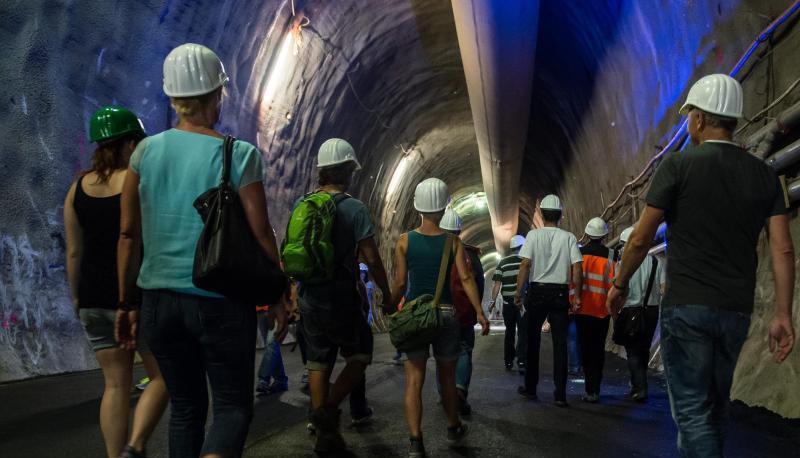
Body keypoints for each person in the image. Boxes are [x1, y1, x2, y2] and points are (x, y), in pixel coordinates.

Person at [608, 74, 795, 458]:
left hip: (687, 308)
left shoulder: (677, 166)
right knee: (715, 406)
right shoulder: (764, 174)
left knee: (693, 411)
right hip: (735, 310)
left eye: (689, 114)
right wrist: (781, 313)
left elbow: (640, 239)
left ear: (698, 118)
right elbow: (783, 249)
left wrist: (620, 284)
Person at [115, 43, 287, 458]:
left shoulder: (144, 152)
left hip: (158, 302)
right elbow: (261, 233)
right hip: (220, 299)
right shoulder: (239, 154)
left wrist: (126, 303)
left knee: (186, 409)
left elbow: (128, 234)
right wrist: (279, 291)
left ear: (172, 97)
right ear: (217, 93)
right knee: (231, 408)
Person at [64, 106, 168, 458]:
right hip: (135, 298)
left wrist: (77, 297)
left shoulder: (76, 189)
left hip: (92, 299)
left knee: (114, 385)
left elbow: (74, 251)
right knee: (164, 376)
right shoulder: (137, 183)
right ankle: (134, 447)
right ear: (129, 144)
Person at [294, 138, 392, 453]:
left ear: (321, 171)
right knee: (360, 354)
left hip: (309, 295)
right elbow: (372, 259)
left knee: (318, 361)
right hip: (340, 296)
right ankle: (326, 413)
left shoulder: (302, 203)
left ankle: (321, 427)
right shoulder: (354, 208)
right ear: (348, 171)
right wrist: (386, 293)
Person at [388, 178, 490, 457]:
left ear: (418, 207)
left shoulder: (404, 241)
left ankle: (415, 442)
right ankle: (453, 426)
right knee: (447, 379)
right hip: (445, 315)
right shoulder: (453, 242)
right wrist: (479, 311)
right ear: (444, 208)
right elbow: (466, 279)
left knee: (414, 381)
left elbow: (400, 283)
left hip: (416, 316)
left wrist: (390, 304)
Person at [515, 195, 583, 407]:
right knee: (560, 343)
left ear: (542, 215)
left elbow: (525, 264)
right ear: (560, 215)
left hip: (537, 291)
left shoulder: (533, 236)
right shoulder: (569, 238)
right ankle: (560, 394)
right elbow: (577, 267)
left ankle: (530, 388)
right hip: (560, 293)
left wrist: (518, 292)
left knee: (532, 340)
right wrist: (577, 296)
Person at [437, 207, 485, 416]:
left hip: (439, 311)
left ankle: (444, 395)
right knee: (464, 349)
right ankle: (459, 391)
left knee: (442, 353)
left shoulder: (433, 251)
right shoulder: (470, 255)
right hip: (463, 312)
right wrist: (477, 309)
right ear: (460, 231)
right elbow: (479, 283)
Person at [616, 226, 665, 403]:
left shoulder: (622, 265)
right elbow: (664, 289)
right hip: (651, 311)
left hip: (631, 310)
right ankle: (638, 383)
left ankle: (639, 388)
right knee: (644, 348)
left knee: (632, 351)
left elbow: (618, 290)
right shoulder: (657, 262)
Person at [574, 217, 615, 403]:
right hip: (602, 311)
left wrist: (572, 303)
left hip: (582, 309)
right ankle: (595, 389)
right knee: (598, 350)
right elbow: (615, 284)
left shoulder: (578, 254)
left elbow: (572, 281)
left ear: (587, 234)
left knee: (585, 349)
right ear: (605, 235)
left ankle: (589, 389)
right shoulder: (612, 255)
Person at [489, 234, 526, 372]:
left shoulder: (503, 263)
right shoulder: (526, 261)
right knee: (523, 332)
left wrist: (493, 301)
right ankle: (521, 360)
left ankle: (508, 361)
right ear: (522, 246)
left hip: (507, 303)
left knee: (509, 332)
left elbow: (497, 284)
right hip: (522, 303)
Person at [256, 304, 289, 396]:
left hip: (275, 307)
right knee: (271, 347)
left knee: (272, 343)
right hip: (259, 309)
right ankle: (280, 380)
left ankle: (264, 379)